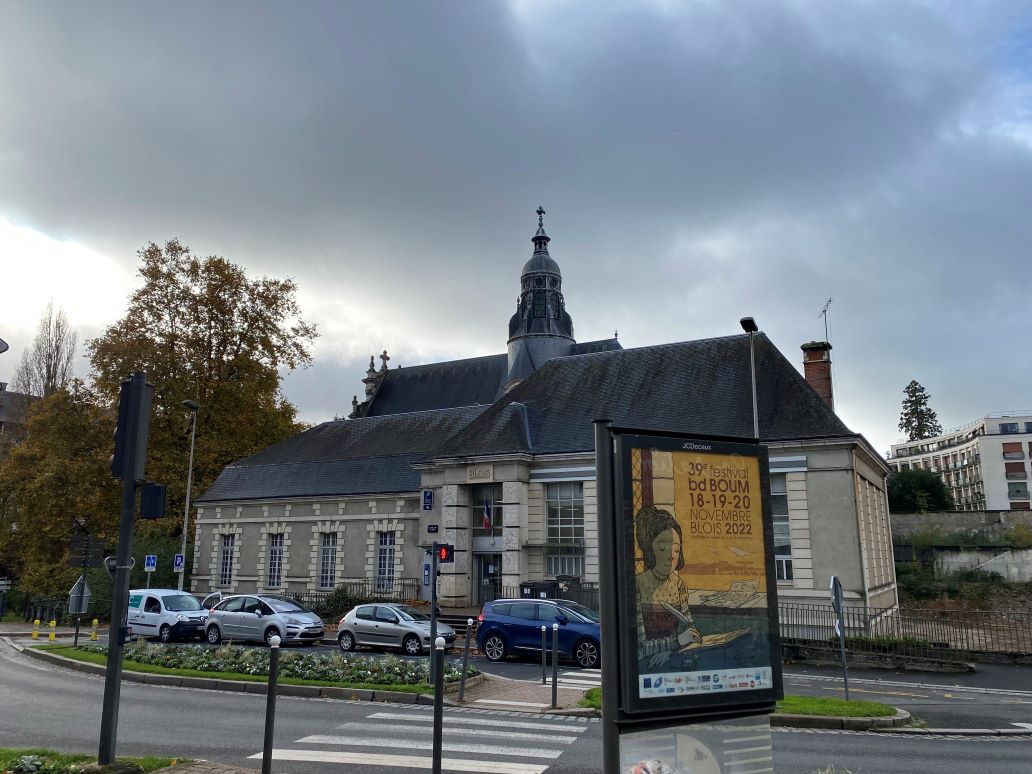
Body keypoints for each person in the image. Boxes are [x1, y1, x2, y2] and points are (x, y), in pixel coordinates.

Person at [634, 505, 701, 671]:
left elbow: (691, 633)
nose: (671, 555)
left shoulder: (680, 586)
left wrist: (670, 651)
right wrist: (677, 642)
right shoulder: (638, 585)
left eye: (676, 549)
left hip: (672, 661)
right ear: (650, 547)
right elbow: (638, 647)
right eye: (663, 547)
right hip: (645, 667)